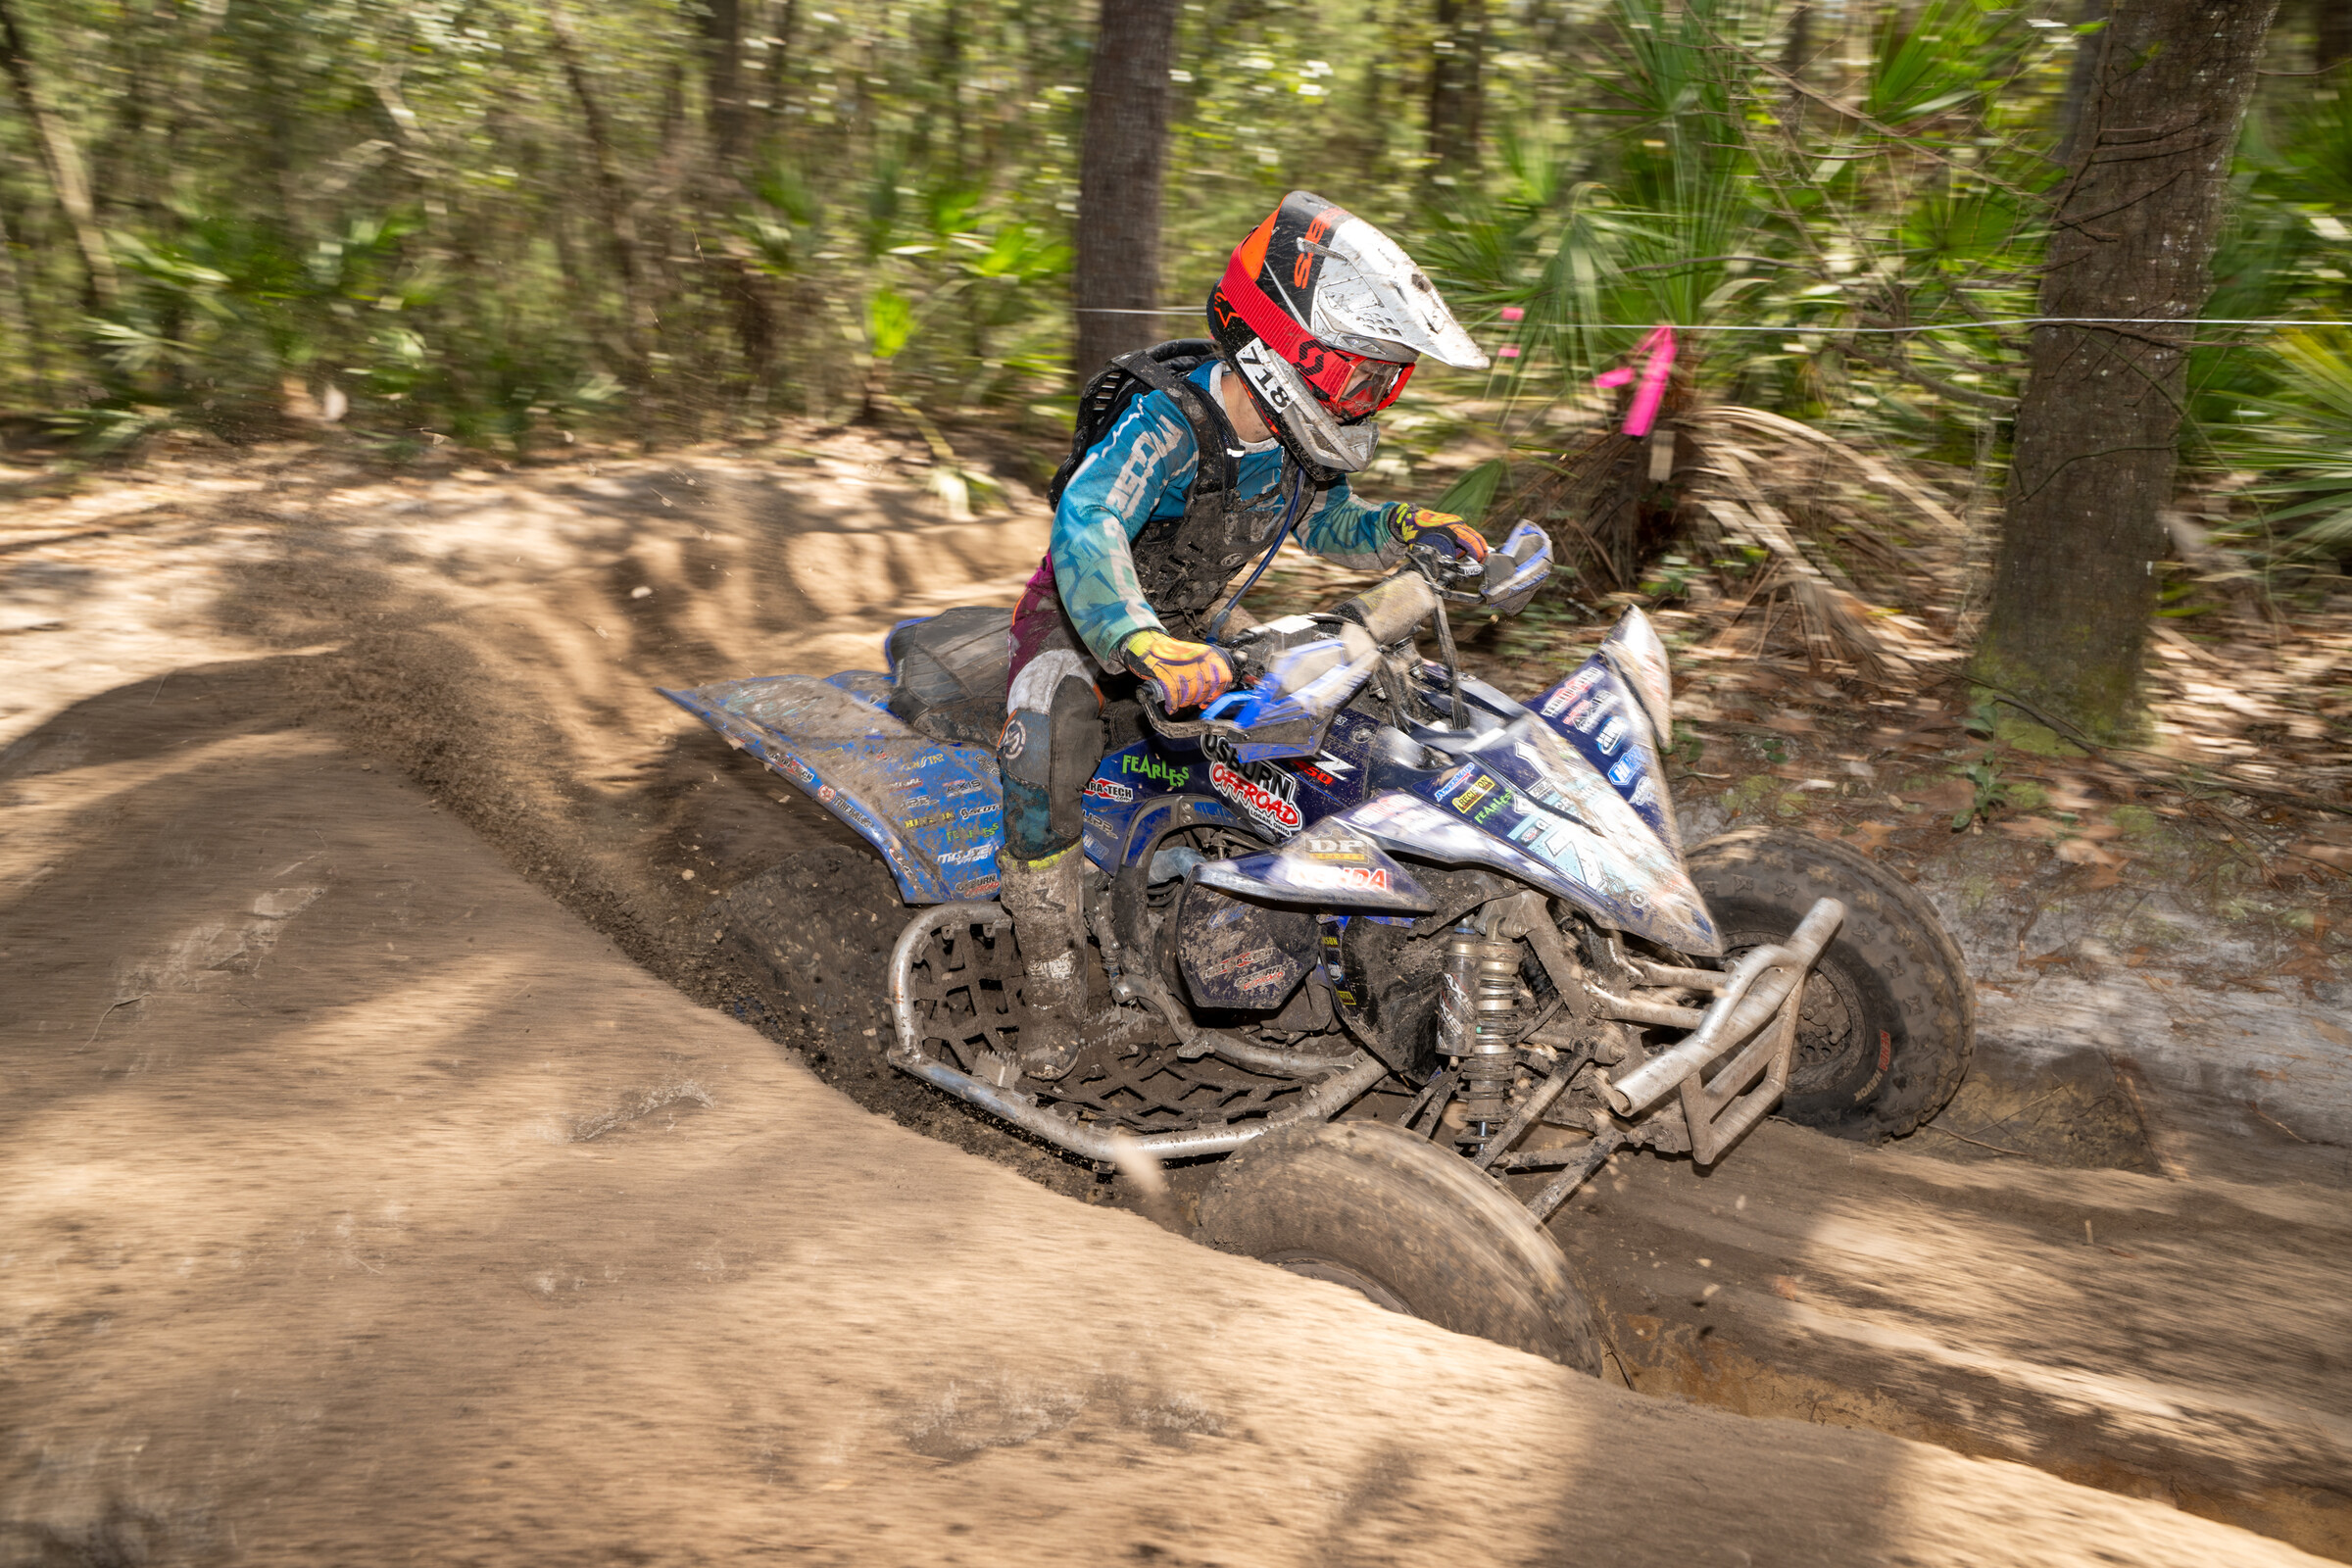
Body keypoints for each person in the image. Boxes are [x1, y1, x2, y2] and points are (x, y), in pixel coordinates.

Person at [997, 190, 1493, 1074]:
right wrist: (1137, 641)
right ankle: (1052, 984)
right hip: (1081, 624)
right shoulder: (1168, 423)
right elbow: (1090, 522)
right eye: (1358, 378)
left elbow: (1327, 526)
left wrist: (1404, 530)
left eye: (1388, 382)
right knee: (1045, 734)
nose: (1370, 399)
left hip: (1196, 633)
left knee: (1326, 722)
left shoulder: (1297, 446)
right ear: (1283, 351)